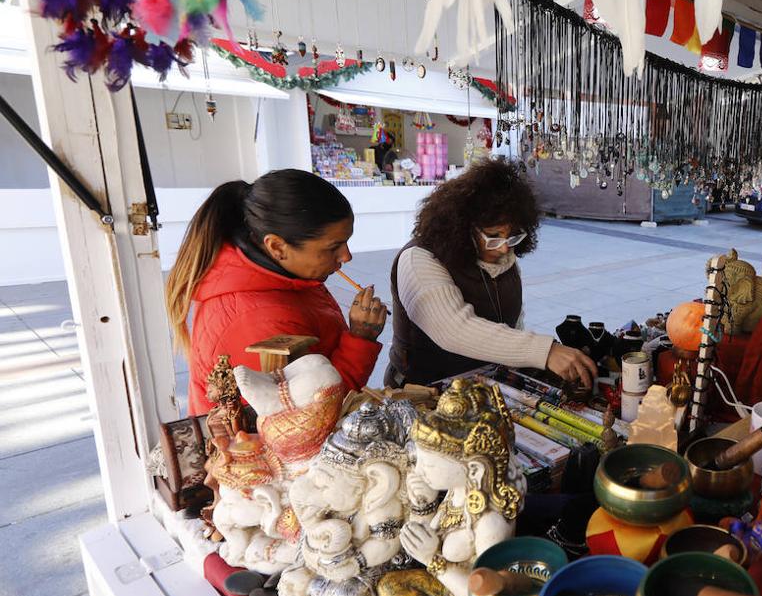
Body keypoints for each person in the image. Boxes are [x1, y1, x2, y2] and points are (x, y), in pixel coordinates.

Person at [166, 169, 388, 414]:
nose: (346, 256)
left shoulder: (283, 273)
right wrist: (361, 339)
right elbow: (312, 414)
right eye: (334, 247)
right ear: (276, 246)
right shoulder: (256, 319)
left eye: (346, 241)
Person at [387, 159, 596, 388]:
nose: (505, 247)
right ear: (463, 226)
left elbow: (513, 325)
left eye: (513, 236)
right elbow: (454, 329)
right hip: (423, 392)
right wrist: (544, 351)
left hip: (482, 388)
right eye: (493, 235)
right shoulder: (418, 259)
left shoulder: (503, 256)